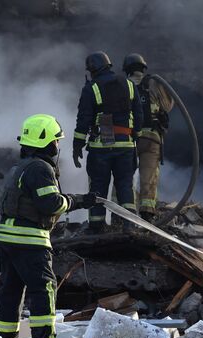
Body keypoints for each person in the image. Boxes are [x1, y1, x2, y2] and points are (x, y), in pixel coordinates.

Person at [0, 114, 96, 338]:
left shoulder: (19, 168)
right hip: (29, 239)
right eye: (56, 141)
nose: (57, 146)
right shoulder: (40, 169)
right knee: (44, 288)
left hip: (6, 238)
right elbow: (51, 203)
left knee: (11, 289)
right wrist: (77, 201)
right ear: (47, 142)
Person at [73, 51, 143, 232]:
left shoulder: (91, 88)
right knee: (125, 186)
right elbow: (139, 113)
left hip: (101, 147)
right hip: (126, 146)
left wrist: (77, 145)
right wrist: (135, 134)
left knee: (98, 186)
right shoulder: (129, 84)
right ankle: (129, 225)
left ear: (93, 69)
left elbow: (83, 119)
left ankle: (96, 225)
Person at [122, 53, 174, 222]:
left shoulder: (123, 85)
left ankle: (121, 212)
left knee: (124, 175)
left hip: (128, 137)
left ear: (126, 70)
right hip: (151, 138)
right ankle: (147, 214)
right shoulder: (154, 83)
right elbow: (167, 106)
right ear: (143, 68)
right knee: (149, 176)